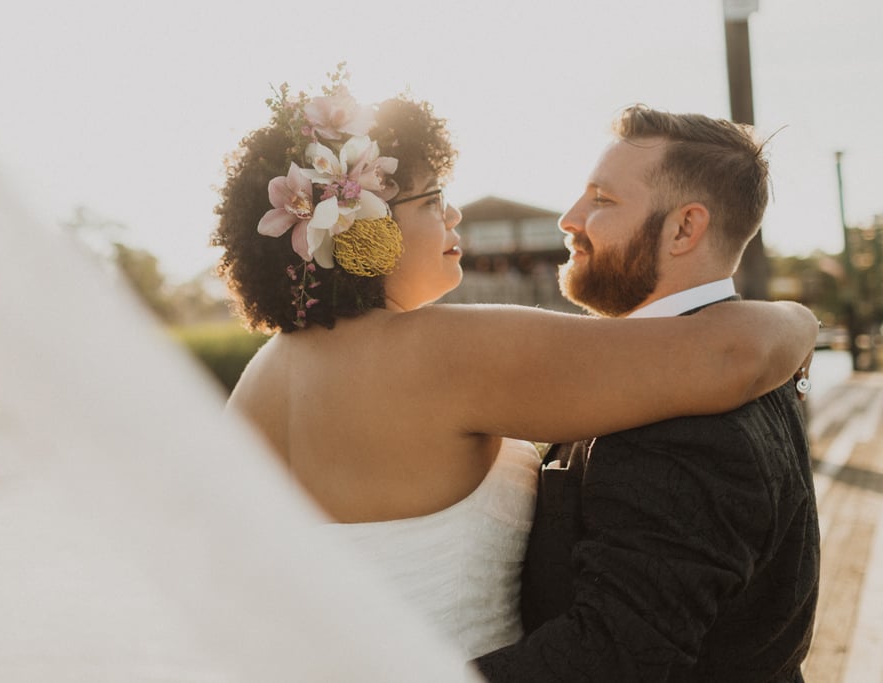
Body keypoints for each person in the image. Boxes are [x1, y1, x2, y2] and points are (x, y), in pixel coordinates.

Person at [212, 74, 818, 660]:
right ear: (364, 228)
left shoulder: (262, 379)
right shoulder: (437, 350)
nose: (453, 218)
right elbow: (730, 356)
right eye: (433, 200)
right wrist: (798, 319)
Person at [475, 106, 820, 681]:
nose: (569, 218)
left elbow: (613, 656)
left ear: (685, 228)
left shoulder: (687, 419)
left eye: (602, 201)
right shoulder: (717, 366)